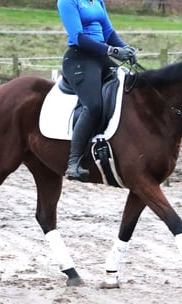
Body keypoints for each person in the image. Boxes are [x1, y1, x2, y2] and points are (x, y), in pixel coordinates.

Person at [57, 0, 137, 181]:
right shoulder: (67, 2)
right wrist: (112, 50)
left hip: (101, 58)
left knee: (129, 90)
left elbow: (108, 31)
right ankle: (74, 161)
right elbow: (78, 36)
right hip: (80, 59)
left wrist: (124, 48)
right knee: (93, 105)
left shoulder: (97, 0)